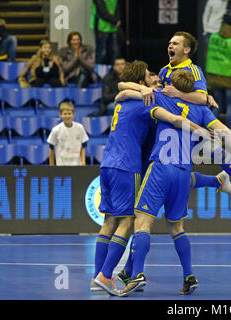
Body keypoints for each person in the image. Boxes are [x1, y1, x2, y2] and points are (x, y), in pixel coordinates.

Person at [118, 69, 231, 297]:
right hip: (183, 173)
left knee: (142, 222)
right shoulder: (201, 110)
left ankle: (137, 274)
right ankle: (189, 275)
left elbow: (122, 91)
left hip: (161, 167)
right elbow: (225, 131)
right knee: (177, 227)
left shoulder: (161, 97)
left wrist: (144, 88)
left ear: (172, 84)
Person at [91, 61, 214, 295]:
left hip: (107, 163)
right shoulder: (149, 101)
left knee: (110, 221)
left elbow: (121, 91)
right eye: (151, 79)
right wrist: (203, 128)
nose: (157, 83)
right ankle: (106, 276)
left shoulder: (128, 99)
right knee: (132, 222)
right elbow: (176, 119)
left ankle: (102, 276)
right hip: (132, 166)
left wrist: (136, 89)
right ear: (143, 83)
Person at [118, 31, 231, 201]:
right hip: (169, 125)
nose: (170, 46)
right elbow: (127, 88)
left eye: (175, 43)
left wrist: (178, 93)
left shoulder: (193, 70)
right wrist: (144, 89)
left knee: (215, 150)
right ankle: (218, 181)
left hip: (192, 122)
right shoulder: (164, 71)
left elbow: (201, 98)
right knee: (175, 175)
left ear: (186, 50)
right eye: (170, 43)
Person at [206, 14, 231, 130]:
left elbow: (208, 55)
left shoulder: (213, 37)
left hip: (215, 76)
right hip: (229, 78)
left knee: (216, 105)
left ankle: (210, 129)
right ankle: (228, 132)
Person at [47, 102, 89, 166]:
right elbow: (51, 148)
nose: (67, 116)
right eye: (65, 114)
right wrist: (51, 166)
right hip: (61, 166)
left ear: (73, 114)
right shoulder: (55, 130)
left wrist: (83, 162)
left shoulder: (80, 127)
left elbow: (83, 146)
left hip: (77, 165)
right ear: (60, 115)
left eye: (69, 114)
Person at [202, 0, 231, 68]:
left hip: (224, 33)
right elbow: (205, 16)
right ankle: (210, 75)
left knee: (223, 56)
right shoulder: (211, 1)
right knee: (211, 56)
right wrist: (205, 30)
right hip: (211, 32)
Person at [90, 0, 121, 65]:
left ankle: (111, 73)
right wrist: (114, 20)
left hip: (112, 28)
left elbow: (117, 8)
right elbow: (101, 11)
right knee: (101, 53)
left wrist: (117, 19)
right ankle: (99, 74)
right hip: (101, 27)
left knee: (113, 52)